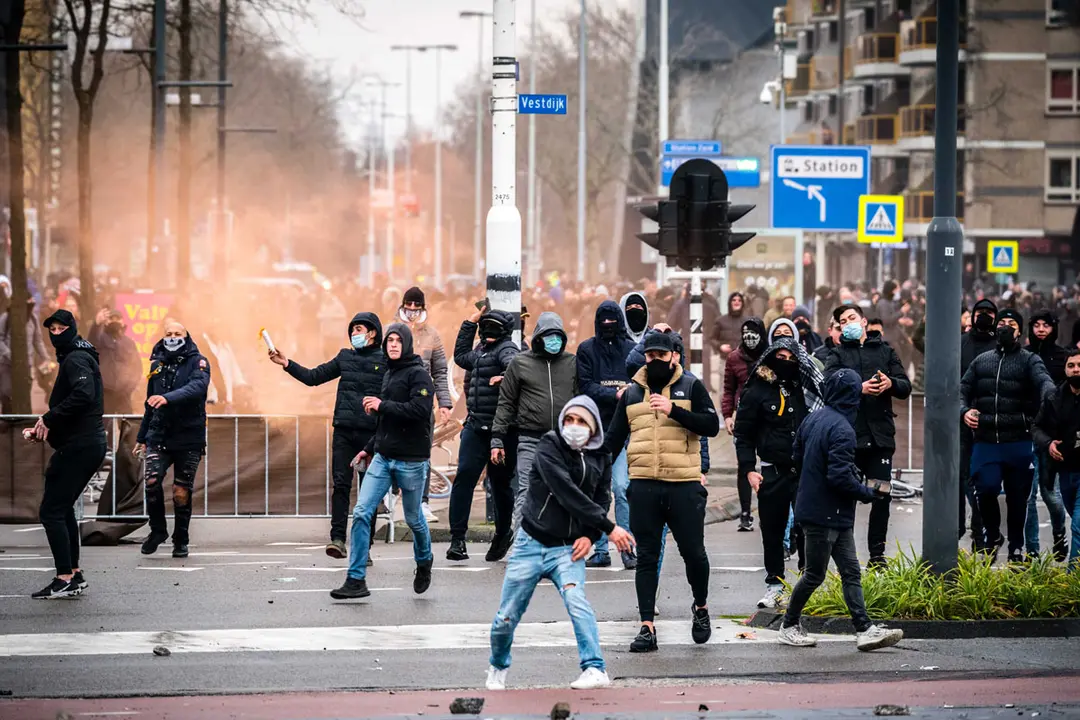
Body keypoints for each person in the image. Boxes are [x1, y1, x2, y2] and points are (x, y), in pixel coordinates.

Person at [485, 396, 634, 691]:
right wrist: (609, 529)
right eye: (569, 420)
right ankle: (498, 666)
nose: (574, 427)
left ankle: (595, 668)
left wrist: (590, 536)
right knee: (506, 616)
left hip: (568, 548)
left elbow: (601, 498)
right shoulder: (549, 445)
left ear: (593, 427)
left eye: (581, 422)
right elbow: (565, 491)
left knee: (578, 603)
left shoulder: (601, 455)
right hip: (531, 542)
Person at [604, 332, 720, 653]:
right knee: (647, 557)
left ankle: (700, 607)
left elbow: (711, 426)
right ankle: (646, 626)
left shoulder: (692, 386)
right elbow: (613, 440)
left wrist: (674, 410)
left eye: (661, 355)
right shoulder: (631, 394)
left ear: (674, 357)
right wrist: (592, 471)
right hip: (643, 485)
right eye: (650, 356)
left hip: (684, 485)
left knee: (694, 553)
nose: (655, 361)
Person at [777, 369, 903, 652]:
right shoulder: (844, 429)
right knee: (815, 575)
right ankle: (788, 625)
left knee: (850, 571)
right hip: (826, 514)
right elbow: (840, 477)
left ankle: (864, 628)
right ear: (850, 395)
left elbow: (796, 454)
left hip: (822, 510)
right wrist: (868, 493)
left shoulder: (814, 418)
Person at [331, 323, 436, 600]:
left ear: (407, 344)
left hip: (411, 460)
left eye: (397, 341)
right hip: (383, 457)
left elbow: (420, 410)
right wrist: (368, 448)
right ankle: (356, 579)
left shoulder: (419, 375)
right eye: (389, 340)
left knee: (414, 519)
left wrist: (382, 405)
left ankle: (424, 561)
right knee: (363, 512)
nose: (392, 345)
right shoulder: (389, 374)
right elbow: (384, 422)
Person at [272, 313, 386, 560]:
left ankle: (364, 547)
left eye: (359, 329)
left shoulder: (386, 360)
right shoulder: (345, 357)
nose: (354, 334)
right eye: (353, 330)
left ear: (373, 332)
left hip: (370, 435)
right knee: (341, 485)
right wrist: (287, 363)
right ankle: (337, 539)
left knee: (369, 491)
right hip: (344, 431)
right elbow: (314, 377)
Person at [734, 337, 823, 609]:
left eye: (790, 359)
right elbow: (743, 433)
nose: (785, 363)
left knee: (806, 528)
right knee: (772, 531)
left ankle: (809, 584)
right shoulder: (757, 390)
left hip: (803, 470)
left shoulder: (803, 387)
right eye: (779, 358)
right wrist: (749, 469)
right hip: (771, 472)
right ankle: (775, 585)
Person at [961, 310, 1054, 563]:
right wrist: (964, 410)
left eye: (1011, 325)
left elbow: (1045, 382)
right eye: (1001, 323)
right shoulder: (982, 360)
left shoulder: (1029, 360)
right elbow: (963, 389)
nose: (1005, 328)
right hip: (986, 440)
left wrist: (1051, 401)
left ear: (1019, 331)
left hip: (1019, 440)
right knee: (986, 489)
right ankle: (993, 536)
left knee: (1017, 498)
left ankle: (1016, 547)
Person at [824, 304, 912, 568]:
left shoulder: (885, 351)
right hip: (848, 438)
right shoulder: (837, 354)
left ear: (863, 322)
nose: (848, 322)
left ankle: (877, 556)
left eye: (852, 318)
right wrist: (857, 388)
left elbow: (905, 386)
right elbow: (826, 386)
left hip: (880, 438)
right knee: (845, 498)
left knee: (880, 496)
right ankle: (845, 557)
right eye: (842, 321)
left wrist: (890, 384)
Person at [29, 309, 106, 599]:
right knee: (62, 509)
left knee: (51, 511)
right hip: (84, 443)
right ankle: (73, 574)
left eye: (62, 328)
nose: (56, 334)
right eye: (53, 329)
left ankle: (63, 578)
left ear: (73, 329)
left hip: (82, 445)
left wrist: (49, 417)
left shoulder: (75, 358)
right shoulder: (79, 354)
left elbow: (84, 395)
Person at [491, 311, 577, 532]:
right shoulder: (520, 363)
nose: (554, 340)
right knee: (527, 492)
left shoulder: (572, 363)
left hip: (563, 442)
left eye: (558, 335)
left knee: (564, 493)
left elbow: (581, 402)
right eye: (549, 335)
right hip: (529, 440)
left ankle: (561, 545)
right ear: (538, 337)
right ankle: (522, 546)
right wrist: (497, 440)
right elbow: (506, 403)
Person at [134, 320, 211, 559]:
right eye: (168, 334)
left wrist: (168, 398)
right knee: (151, 481)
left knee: (180, 491)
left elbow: (198, 387)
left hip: (189, 436)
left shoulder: (199, 362)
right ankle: (157, 531)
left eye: (178, 333)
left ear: (186, 336)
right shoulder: (156, 364)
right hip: (159, 435)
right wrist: (142, 437)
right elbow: (149, 403)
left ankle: (181, 539)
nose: (173, 337)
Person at [448, 307, 519, 563]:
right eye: (484, 326)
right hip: (475, 427)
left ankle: (502, 534)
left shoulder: (506, 349)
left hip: (502, 431)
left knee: (500, 485)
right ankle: (457, 540)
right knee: (464, 478)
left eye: (493, 327)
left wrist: (506, 376)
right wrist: (469, 321)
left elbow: (514, 364)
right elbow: (459, 356)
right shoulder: (479, 351)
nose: (488, 331)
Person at [576, 300, 636, 568]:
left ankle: (626, 548)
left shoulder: (632, 350)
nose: (608, 325)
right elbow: (585, 385)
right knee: (594, 492)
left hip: (623, 431)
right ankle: (599, 549)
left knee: (621, 488)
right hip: (595, 432)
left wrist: (625, 395)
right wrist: (615, 394)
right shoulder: (586, 349)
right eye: (604, 320)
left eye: (613, 320)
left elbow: (639, 384)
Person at [397, 287, 453, 522]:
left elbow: (440, 371)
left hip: (422, 404)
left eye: (416, 308)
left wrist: (445, 403)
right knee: (391, 452)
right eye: (408, 307)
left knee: (422, 454)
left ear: (422, 309)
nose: (411, 312)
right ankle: (390, 500)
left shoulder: (432, 336)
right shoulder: (393, 332)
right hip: (395, 401)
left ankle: (423, 502)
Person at [1025, 310, 1070, 560]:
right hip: (1026, 431)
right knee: (1029, 497)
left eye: (1046, 325)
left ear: (1054, 328)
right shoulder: (1023, 354)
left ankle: (1059, 533)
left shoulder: (1063, 357)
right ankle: (1031, 550)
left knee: (1051, 494)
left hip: (1052, 434)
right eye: (1037, 325)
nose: (1041, 329)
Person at [957, 298, 999, 549]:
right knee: (963, 475)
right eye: (980, 312)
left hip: (991, 420)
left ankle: (980, 531)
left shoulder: (999, 346)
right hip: (962, 418)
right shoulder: (961, 343)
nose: (984, 316)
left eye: (989, 313)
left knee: (983, 478)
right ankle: (960, 526)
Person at [1033, 348, 1080, 568]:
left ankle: (1073, 578)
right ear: (1065, 370)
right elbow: (1037, 427)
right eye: (1071, 366)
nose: (1076, 370)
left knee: (1078, 525)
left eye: (1079, 365)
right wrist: (1048, 443)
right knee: (1073, 514)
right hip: (1065, 470)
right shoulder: (1054, 398)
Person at [721, 318, 768, 531]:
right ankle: (746, 512)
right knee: (744, 465)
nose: (750, 337)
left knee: (770, 463)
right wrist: (728, 416)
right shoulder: (734, 358)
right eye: (746, 332)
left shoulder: (770, 355)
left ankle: (769, 509)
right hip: (743, 418)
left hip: (768, 418)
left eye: (754, 332)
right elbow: (728, 390)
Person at [0, 294, 52, 413]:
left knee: (23, 393)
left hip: (26, 365)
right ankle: (7, 421)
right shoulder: (6, 318)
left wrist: (46, 358)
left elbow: (37, 340)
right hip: (7, 365)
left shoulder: (33, 319)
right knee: (6, 393)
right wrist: (9, 354)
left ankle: (22, 419)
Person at [87, 308, 142, 414]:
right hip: (105, 392)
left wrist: (129, 387)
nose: (115, 321)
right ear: (106, 321)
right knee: (105, 426)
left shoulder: (129, 343)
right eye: (111, 318)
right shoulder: (100, 339)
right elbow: (91, 343)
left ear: (123, 321)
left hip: (124, 393)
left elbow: (137, 367)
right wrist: (96, 324)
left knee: (127, 427)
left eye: (118, 318)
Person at [712, 292, 746, 358]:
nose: (737, 302)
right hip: (725, 359)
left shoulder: (747, 321)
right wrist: (720, 346)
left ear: (742, 304)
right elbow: (712, 339)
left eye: (739, 300)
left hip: (743, 360)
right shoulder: (720, 320)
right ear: (730, 303)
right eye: (734, 300)